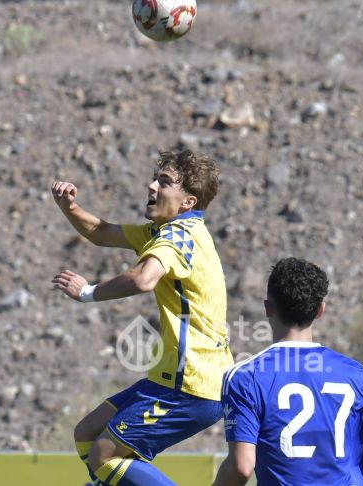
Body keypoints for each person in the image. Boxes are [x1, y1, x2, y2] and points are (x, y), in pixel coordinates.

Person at [50, 149, 233, 486]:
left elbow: (143, 279)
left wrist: (87, 292)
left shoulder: (178, 237)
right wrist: (70, 207)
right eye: (155, 179)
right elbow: (102, 233)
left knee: (104, 455)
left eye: (164, 182)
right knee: (87, 433)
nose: (151, 186)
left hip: (190, 385)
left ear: (188, 202)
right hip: (173, 379)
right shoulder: (167, 231)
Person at [213, 257, 363, 486]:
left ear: (268, 308)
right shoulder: (357, 375)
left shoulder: (245, 377)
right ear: (320, 310)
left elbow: (241, 467)